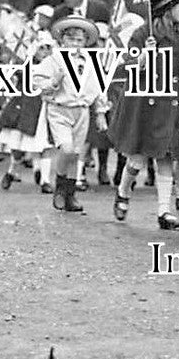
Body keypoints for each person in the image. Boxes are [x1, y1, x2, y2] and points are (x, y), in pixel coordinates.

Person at [108, 0, 179, 230]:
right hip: (145, 105)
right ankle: (123, 192)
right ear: (167, 8)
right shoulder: (143, 34)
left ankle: (164, 212)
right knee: (136, 160)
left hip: (171, 105)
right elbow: (128, 65)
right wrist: (145, 56)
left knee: (166, 158)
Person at [33, 14, 109, 214]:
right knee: (66, 149)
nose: (74, 44)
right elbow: (38, 82)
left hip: (81, 111)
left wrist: (100, 113)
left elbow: (98, 89)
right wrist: (53, 82)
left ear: (85, 43)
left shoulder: (90, 63)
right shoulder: (53, 61)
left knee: (76, 153)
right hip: (60, 109)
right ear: (62, 40)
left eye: (79, 40)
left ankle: (71, 193)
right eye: (70, 39)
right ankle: (59, 184)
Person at [0, 31, 55, 191]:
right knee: (18, 147)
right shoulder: (25, 67)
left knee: (45, 146)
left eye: (48, 48)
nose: (45, 52)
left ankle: (45, 181)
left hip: (46, 111)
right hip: (25, 110)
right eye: (42, 48)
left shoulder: (57, 67)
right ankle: (11, 171)